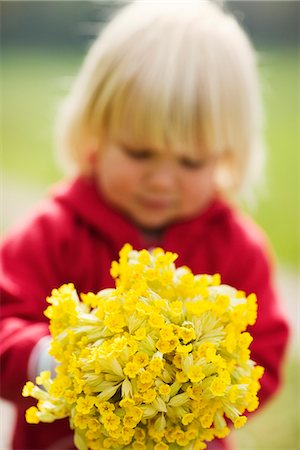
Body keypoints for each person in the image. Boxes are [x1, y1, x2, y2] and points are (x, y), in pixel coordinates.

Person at [0, 1, 289, 449]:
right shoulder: (52, 232)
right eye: (139, 153)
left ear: (227, 156)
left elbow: (265, 358)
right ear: (94, 134)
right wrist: (52, 360)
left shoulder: (237, 248)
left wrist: (197, 392)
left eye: (191, 162)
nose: (161, 179)